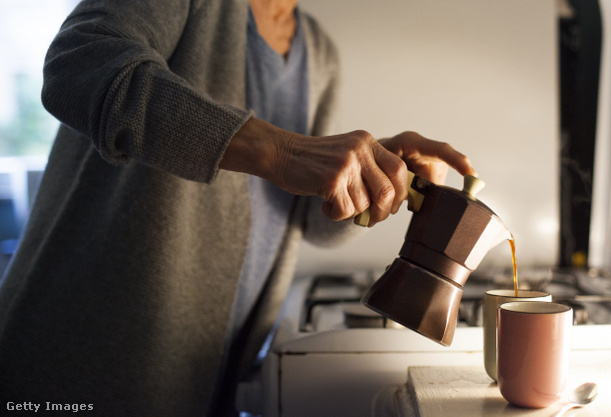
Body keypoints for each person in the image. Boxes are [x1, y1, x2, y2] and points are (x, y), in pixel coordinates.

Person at [0, 0, 475, 416]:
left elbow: (312, 220)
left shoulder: (319, 50)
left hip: (211, 374)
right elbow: (77, 63)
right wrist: (281, 150)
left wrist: (371, 176)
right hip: (83, 360)